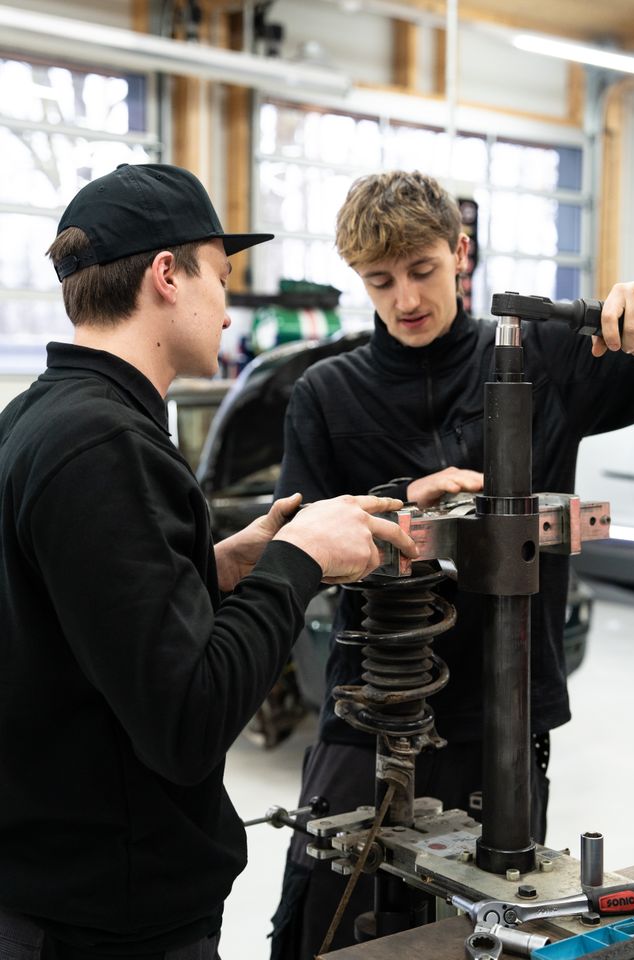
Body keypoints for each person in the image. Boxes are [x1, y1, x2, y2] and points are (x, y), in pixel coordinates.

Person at [0, 163, 419, 960]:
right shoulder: (107, 446)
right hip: (107, 922)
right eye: (219, 278)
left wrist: (219, 564)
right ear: (166, 275)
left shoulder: (37, 418)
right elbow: (188, 721)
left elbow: (82, 625)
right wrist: (295, 560)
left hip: (60, 888)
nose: (228, 305)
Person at [269, 170, 634, 960]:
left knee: (492, 932)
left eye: (422, 270)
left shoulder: (543, 356)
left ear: (460, 252)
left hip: (506, 714)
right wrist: (407, 503)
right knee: (330, 922)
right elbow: (295, 549)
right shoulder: (326, 395)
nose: (404, 297)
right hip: (372, 712)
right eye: (380, 280)